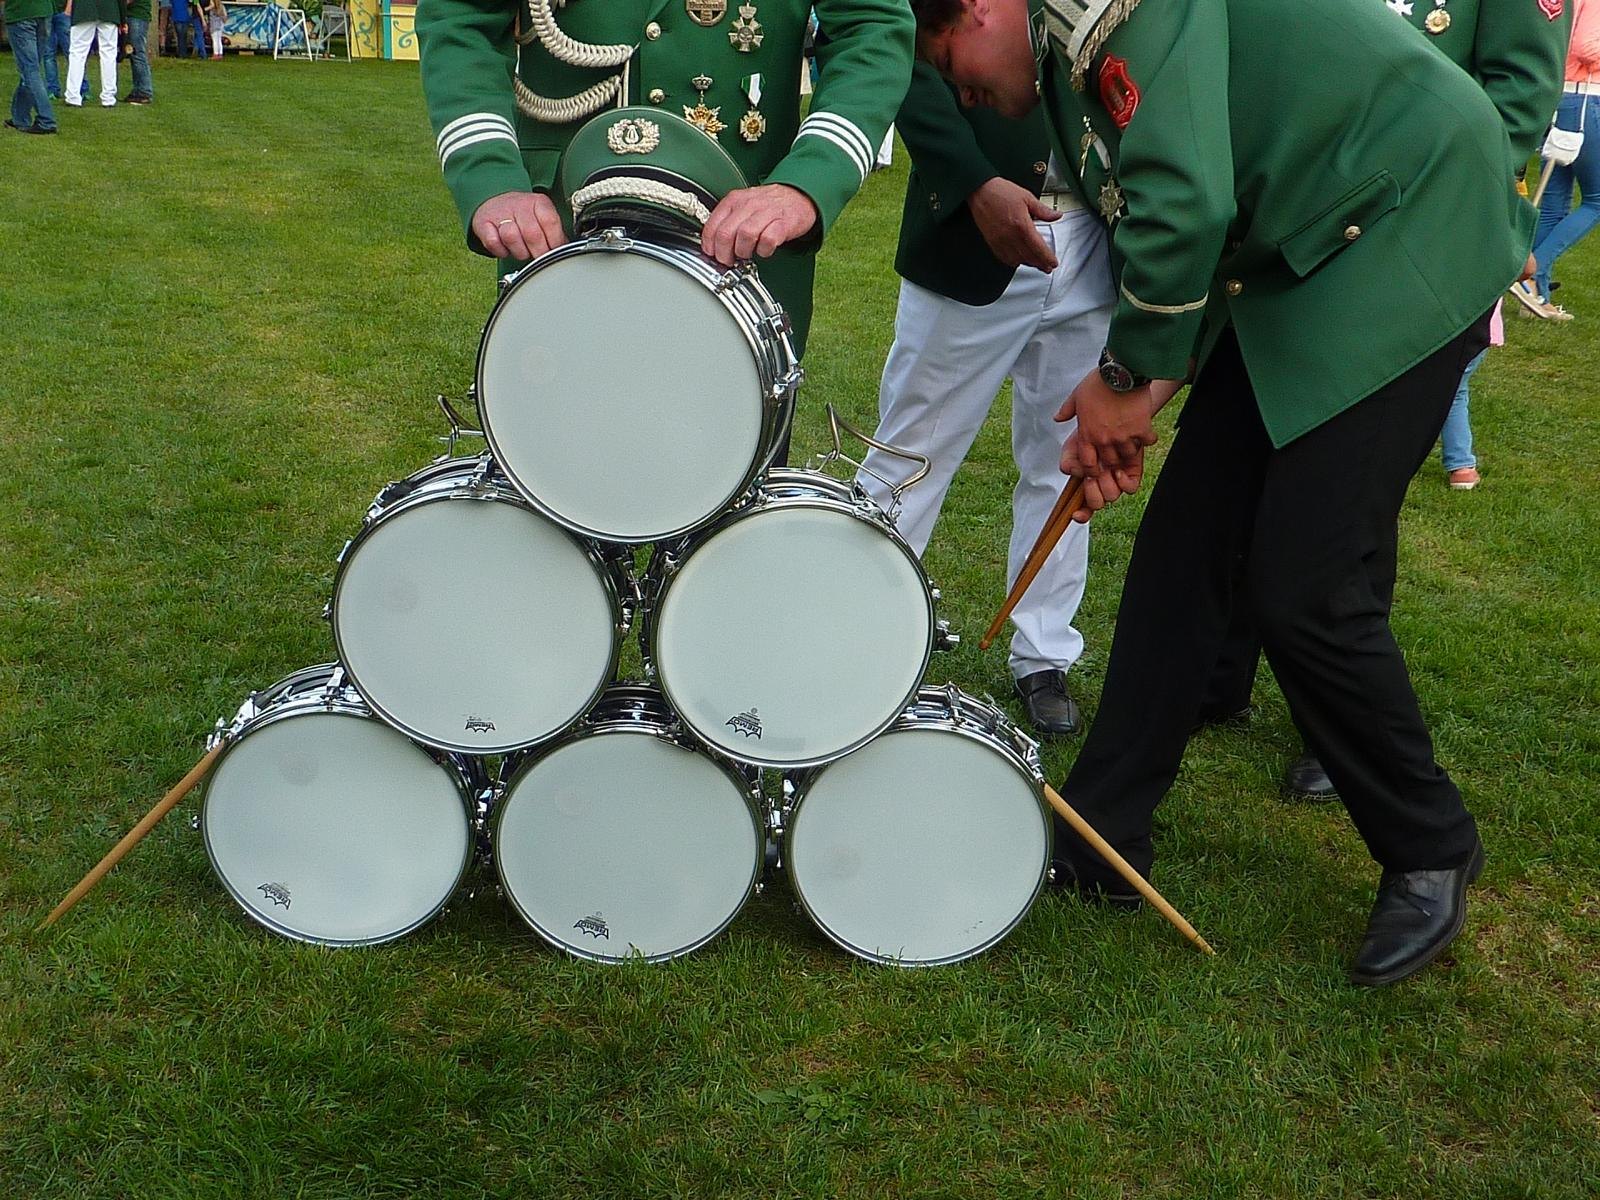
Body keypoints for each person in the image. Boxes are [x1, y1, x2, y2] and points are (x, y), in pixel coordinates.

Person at [915, 0, 1535, 986]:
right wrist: (1138, 395)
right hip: (1305, 248)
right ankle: (1101, 834)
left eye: (951, 62)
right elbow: (1188, 219)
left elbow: (1189, 207)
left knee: (1306, 585)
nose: (960, 93)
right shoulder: (1062, 54)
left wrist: (1125, 382)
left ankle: (1430, 844)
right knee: (1183, 548)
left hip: (1408, 227)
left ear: (982, 7)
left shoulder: (1106, 12)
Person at [1204, 0, 1571, 798]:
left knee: (1351, 509)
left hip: (1409, 247)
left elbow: (1515, 105)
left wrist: (1411, 215)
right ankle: (1220, 674)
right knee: (1254, 461)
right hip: (1302, 233)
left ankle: (1334, 730)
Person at [415, 0, 914, 372]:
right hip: (562, 223)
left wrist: (808, 180)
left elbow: (871, 28)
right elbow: (461, 17)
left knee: (735, 458)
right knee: (545, 450)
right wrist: (489, 175)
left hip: (741, 234)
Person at [856, 50, 1112, 737]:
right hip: (976, 226)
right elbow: (906, 52)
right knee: (911, 453)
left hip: (1094, 233)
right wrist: (972, 180)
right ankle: (854, 628)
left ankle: (1043, 653)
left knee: (1065, 459)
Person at [1522, 0, 1600, 315]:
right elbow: (1586, 46)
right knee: (1596, 200)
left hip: (1564, 96)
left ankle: (1533, 290)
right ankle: (1533, 273)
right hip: (1587, 98)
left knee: (1554, 203)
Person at [4, 0, 60, 132]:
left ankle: (46, 120)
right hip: (44, 12)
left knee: (30, 70)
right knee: (30, 69)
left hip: (20, 13)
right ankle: (20, 117)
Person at [64, 0, 126, 106]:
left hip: (84, 9)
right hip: (109, 9)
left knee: (77, 53)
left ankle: (73, 96)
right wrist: (122, 18)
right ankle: (108, 97)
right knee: (109, 54)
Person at [125, 0, 153, 101]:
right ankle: (138, 89)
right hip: (135, 15)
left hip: (137, 16)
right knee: (134, 53)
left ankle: (144, 90)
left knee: (138, 53)